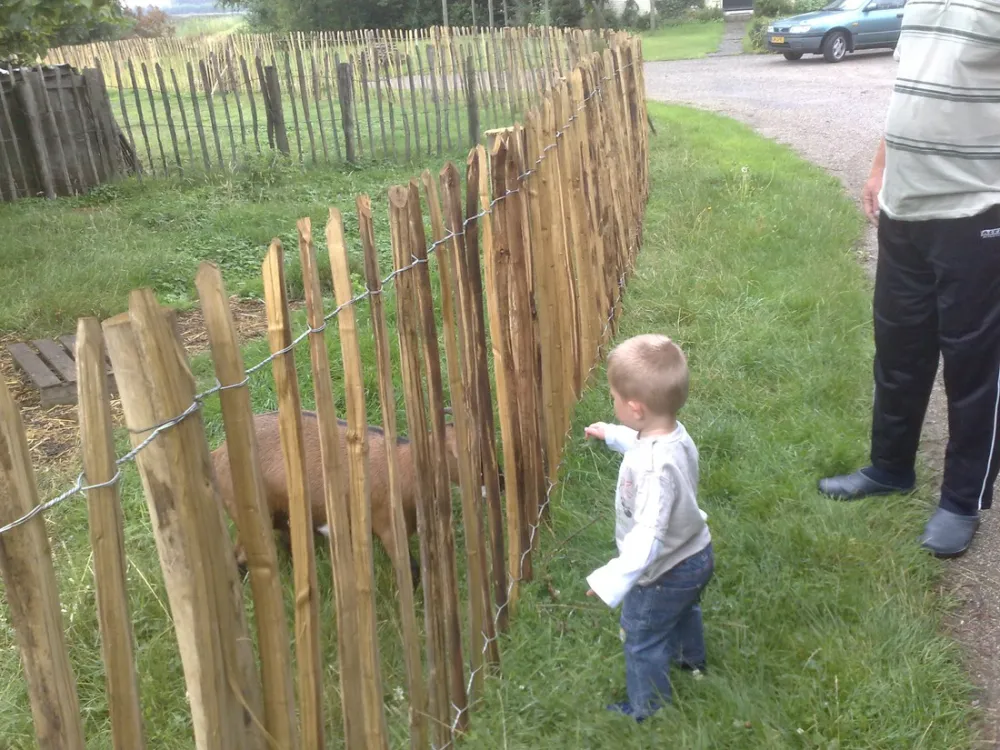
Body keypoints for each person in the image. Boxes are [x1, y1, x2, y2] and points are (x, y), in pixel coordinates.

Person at [817, 3, 1000, 558]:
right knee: (899, 349)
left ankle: (961, 500)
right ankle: (890, 467)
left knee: (974, 367)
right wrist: (879, 167)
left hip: (976, 211)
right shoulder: (920, 3)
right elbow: (909, 89)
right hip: (904, 209)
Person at [584, 333, 714, 722]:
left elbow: (646, 541)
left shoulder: (654, 472)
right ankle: (691, 662)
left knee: (642, 637)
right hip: (696, 553)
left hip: (663, 571)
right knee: (684, 610)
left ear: (635, 408)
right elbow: (642, 441)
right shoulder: (672, 434)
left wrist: (610, 579)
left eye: (614, 398)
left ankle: (649, 710)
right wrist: (612, 433)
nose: (613, 401)